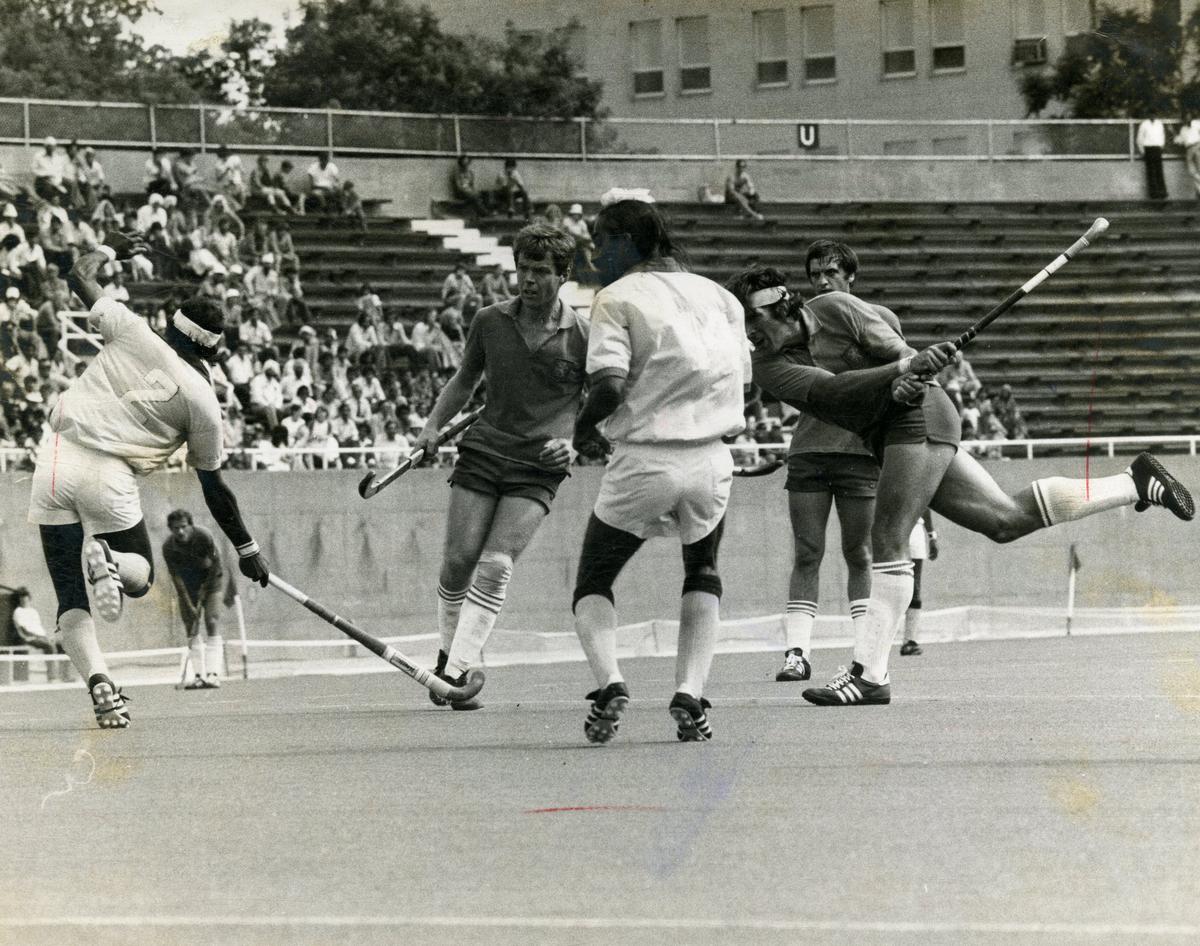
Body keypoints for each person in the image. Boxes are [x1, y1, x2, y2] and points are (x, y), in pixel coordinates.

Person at [724, 266, 1194, 707]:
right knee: (1004, 521)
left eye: (750, 320)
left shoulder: (838, 308)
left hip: (919, 415)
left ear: (778, 305)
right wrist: (893, 380)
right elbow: (832, 393)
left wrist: (907, 369)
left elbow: (896, 350)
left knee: (886, 538)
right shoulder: (768, 365)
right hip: (886, 430)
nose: (747, 334)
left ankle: (869, 675)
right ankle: (1135, 482)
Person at [26, 235, 270, 729]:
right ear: (215, 350)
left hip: (54, 458)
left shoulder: (134, 329)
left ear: (173, 326)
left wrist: (111, 247)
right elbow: (214, 488)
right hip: (112, 475)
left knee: (70, 593)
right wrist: (246, 548)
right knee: (141, 577)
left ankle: (101, 685)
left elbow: (79, 276)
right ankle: (114, 561)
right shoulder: (204, 403)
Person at [569, 195, 751, 744]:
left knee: (594, 579)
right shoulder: (721, 296)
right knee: (703, 571)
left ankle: (610, 684)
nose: (597, 255)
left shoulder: (616, 297)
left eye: (602, 243)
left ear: (627, 241)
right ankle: (690, 693)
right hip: (713, 460)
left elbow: (607, 385)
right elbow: (745, 381)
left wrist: (582, 429)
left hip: (646, 459)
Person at [410, 223, 585, 710]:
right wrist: (430, 427)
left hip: (539, 465)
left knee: (495, 563)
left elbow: (605, 403)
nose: (528, 280)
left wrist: (574, 442)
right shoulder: (489, 320)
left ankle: (456, 671)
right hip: (484, 449)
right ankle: (450, 655)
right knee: (459, 560)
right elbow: (465, 381)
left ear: (564, 274)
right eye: (522, 269)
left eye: (540, 272)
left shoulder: (586, 334)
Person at [764, 241, 915, 684]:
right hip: (809, 451)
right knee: (807, 552)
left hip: (859, 453)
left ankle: (863, 655)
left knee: (860, 553)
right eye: (814, 275)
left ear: (851, 276)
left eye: (830, 273)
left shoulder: (881, 319)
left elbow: (901, 375)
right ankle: (797, 654)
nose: (822, 282)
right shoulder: (803, 325)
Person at [162, 509, 228, 689]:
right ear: (171, 529)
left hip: (212, 581)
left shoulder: (204, 536)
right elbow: (175, 576)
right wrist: (188, 602)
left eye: (183, 527)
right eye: (176, 528)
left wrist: (205, 589)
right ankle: (199, 675)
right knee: (191, 628)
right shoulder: (168, 547)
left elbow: (216, 564)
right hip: (188, 586)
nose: (180, 531)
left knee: (211, 621)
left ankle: (213, 674)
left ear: (190, 525)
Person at [899, 510, 937, 656]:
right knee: (891, 585)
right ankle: (878, 641)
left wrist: (932, 536)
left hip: (915, 531)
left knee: (914, 587)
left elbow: (925, 503)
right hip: (893, 529)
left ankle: (910, 641)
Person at [1136, 117, 1167, 201]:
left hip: (1157, 149)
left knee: (1159, 171)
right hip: (1148, 149)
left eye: (1154, 114)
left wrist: (1161, 147)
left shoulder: (1159, 123)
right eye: (1151, 113)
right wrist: (1142, 151)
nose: (1153, 116)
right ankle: (1153, 194)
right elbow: (1140, 138)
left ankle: (1162, 193)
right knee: (1151, 171)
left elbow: (1162, 136)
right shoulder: (1144, 124)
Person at [1176, 118, 1200, 199]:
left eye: (1189, 118)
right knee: (1191, 171)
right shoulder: (1183, 129)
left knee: (1199, 169)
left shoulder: (1197, 123)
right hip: (1189, 149)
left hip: (1198, 146)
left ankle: (1199, 191)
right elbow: (1180, 141)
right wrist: (1172, 133)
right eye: (1186, 119)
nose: (1188, 120)